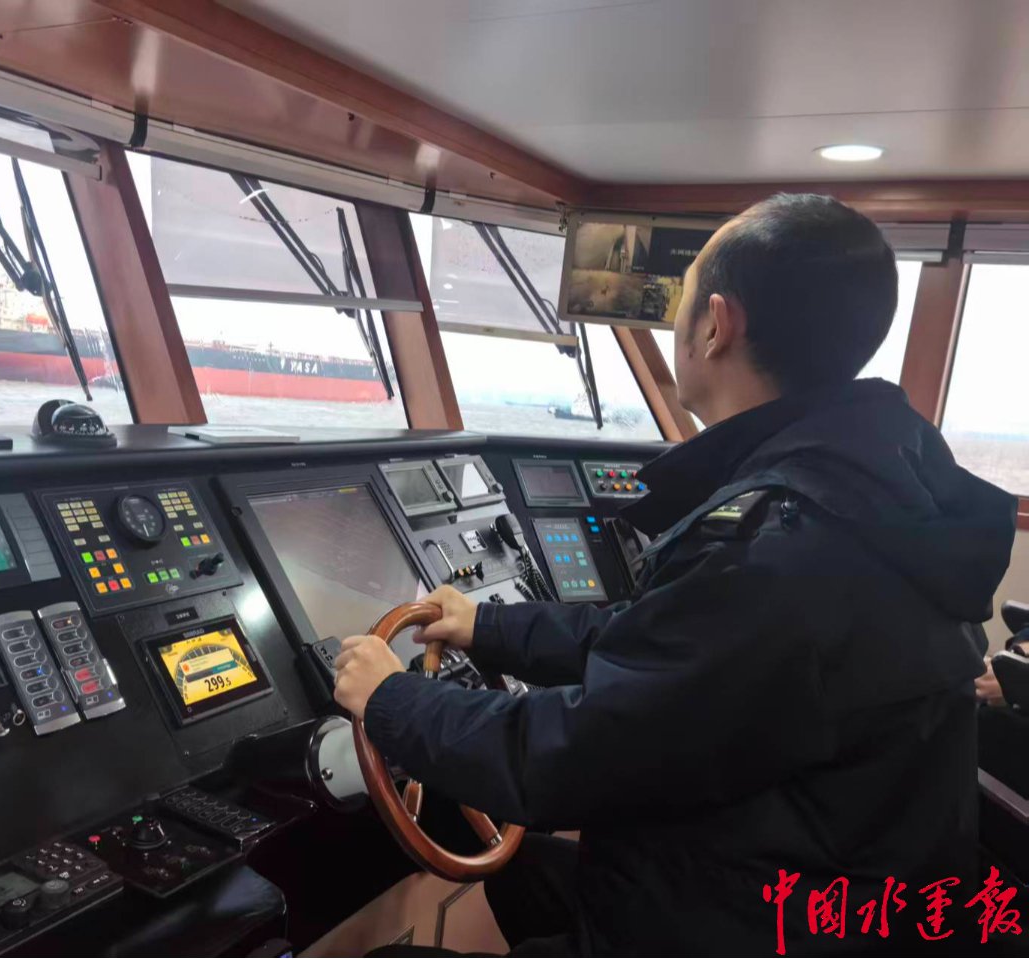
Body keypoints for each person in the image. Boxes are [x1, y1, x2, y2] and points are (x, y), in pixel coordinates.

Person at [333, 194, 1018, 955]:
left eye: (681, 301)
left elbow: (579, 755)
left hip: (757, 926)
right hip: (823, 892)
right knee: (523, 874)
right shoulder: (879, 488)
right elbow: (670, 649)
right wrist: (488, 625)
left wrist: (393, 700)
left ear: (717, 325)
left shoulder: (781, 546)